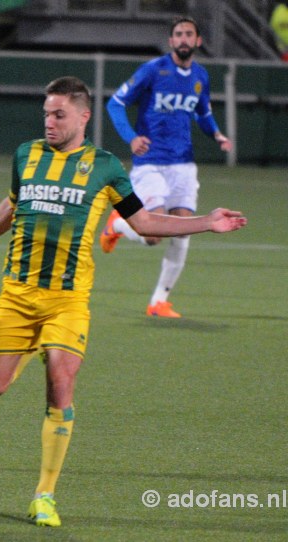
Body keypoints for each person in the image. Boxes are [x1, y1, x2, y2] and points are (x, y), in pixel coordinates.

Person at [0, 76, 246, 527]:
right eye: (46, 114)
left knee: (61, 379)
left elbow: (145, 222)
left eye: (59, 115)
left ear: (83, 116)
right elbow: (14, 204)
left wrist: (206, 221)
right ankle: (35, 344)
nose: (49, 122)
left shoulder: (107, 167)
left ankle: (45, 495)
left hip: (69, 300)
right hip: (17, 294)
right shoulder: (26, 155)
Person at [100, 15, 233, 318]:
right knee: (153, 236)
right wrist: (131, 138)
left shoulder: (200, 75)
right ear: (171, 41)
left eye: (189, 34)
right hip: (151, 164)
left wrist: (216, 133)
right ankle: (117, 224)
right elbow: (115, 103)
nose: (184, 38)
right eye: (178, 34)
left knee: (184, 231)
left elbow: (202, 112)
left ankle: (158, 302)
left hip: (183, 166)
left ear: (198, 41)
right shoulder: (152, 70)